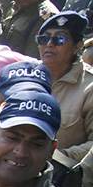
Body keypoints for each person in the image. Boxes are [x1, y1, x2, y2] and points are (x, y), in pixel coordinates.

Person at [38, 9, 93, 161]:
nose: (49, 44)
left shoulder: (89, 87)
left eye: (59, 39)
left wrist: (62, 156)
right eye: (44, 39)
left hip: (61, 177)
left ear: (77, 46)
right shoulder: (24, 75)